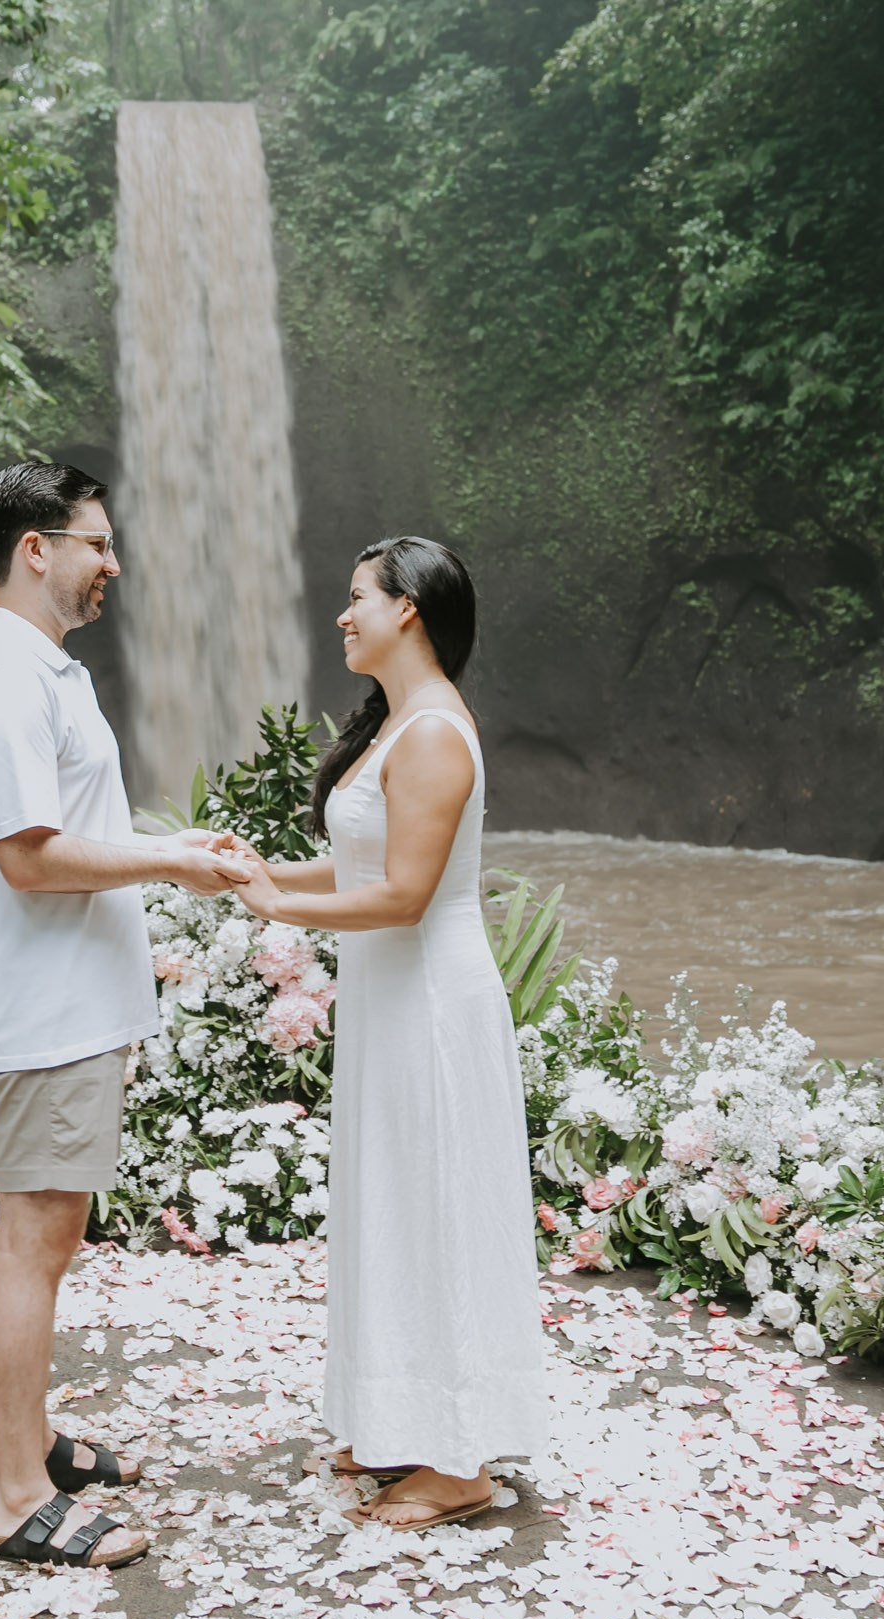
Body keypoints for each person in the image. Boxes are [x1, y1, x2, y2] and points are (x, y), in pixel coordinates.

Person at [0, 460, 253, 1568]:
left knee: (52, 1232)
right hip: (46, 1008)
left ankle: (26, 1442)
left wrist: (168, 847)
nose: (112, 563)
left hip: (74, 1005)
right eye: (96, 542)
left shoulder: (45, 670)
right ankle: (16, 1492)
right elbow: (30, 858)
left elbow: (73, 818)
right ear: (37, 548)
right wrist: (173, 858)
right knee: (34, 1238)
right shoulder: (3, 684)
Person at [226, 536, 547, 1530]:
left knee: (437, 1203)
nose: (341, 614)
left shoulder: (436, 732)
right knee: (394, 1200)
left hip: (433, 1003)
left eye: (356, 596)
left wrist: (279, 907)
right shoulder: (399, 723)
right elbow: (368, 860)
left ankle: (459, 1463)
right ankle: (401, 1415)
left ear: (408, 608)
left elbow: (406, 896)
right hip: (392, 1003)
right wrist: (265, 869)